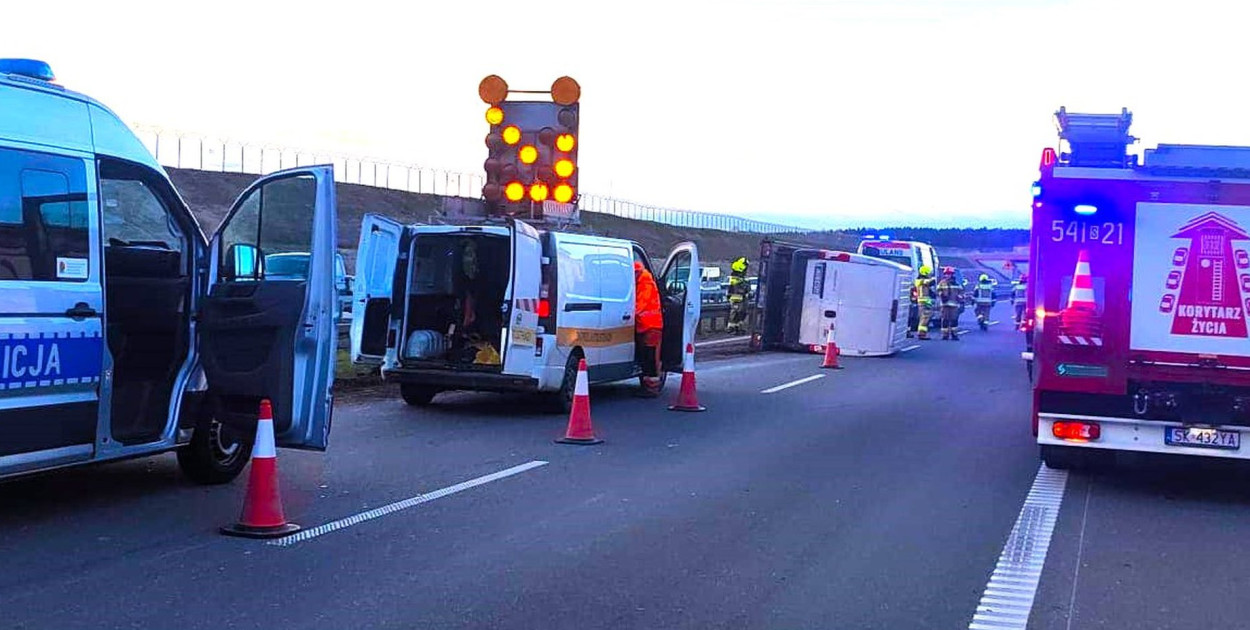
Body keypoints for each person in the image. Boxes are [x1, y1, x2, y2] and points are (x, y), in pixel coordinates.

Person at [634, 260, 664, 397]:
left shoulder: (645, 283)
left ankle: (652, 388)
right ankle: (649, 385)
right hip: (647, 325)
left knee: (650, 357)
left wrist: (629, 313)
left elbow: (641, 305)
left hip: (651, 325)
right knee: (647, 356)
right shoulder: (643, 281)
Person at [937, 266, 963, 340]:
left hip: (954, 305)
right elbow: (938, 290)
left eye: (949, 274)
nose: (947, 275)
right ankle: (945, 335)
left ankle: (954, 335)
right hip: (944, 305)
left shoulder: (956, 283)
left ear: (952, 274)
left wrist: (960, 298)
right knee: (944, 320)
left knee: (954, 320)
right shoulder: (942, 283)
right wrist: (941, 295)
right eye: (946, 274)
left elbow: (961, 292)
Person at [726, 257, 750, 335]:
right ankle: (734, 328)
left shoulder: (737, 273)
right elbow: (740, 286)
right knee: (738, 313)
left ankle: (736, 328)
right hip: (739, 297)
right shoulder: (739, 274)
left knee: (738, 313)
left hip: (737, 297)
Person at [913, 265, 936, 340]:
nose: (929, 275)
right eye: (929, 273)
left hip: (925, 302)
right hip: (924, 302)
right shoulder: (921, 280)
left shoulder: (920, 281)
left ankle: (923, 333)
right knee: (924, 318)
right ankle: (921, 334)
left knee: (925, 318)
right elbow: (929, 282)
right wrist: (934, 278)